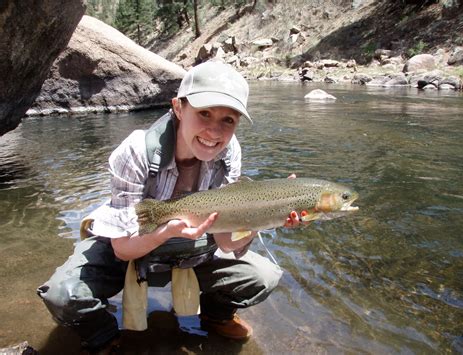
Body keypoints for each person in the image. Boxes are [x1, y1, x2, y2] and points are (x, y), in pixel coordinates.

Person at [37, 61, 302, 354]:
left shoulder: (230, 151)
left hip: (193, 253)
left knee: (263, 277)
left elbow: (226, 243)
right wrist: (166, 231)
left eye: (229, 119)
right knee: (63, 295)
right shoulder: (136, 150)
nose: (214, 131)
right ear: (178, 107)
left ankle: (216, 317)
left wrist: (267, 215)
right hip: (129, 249)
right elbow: (122, 249)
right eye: (204, 113)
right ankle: (104, 336)